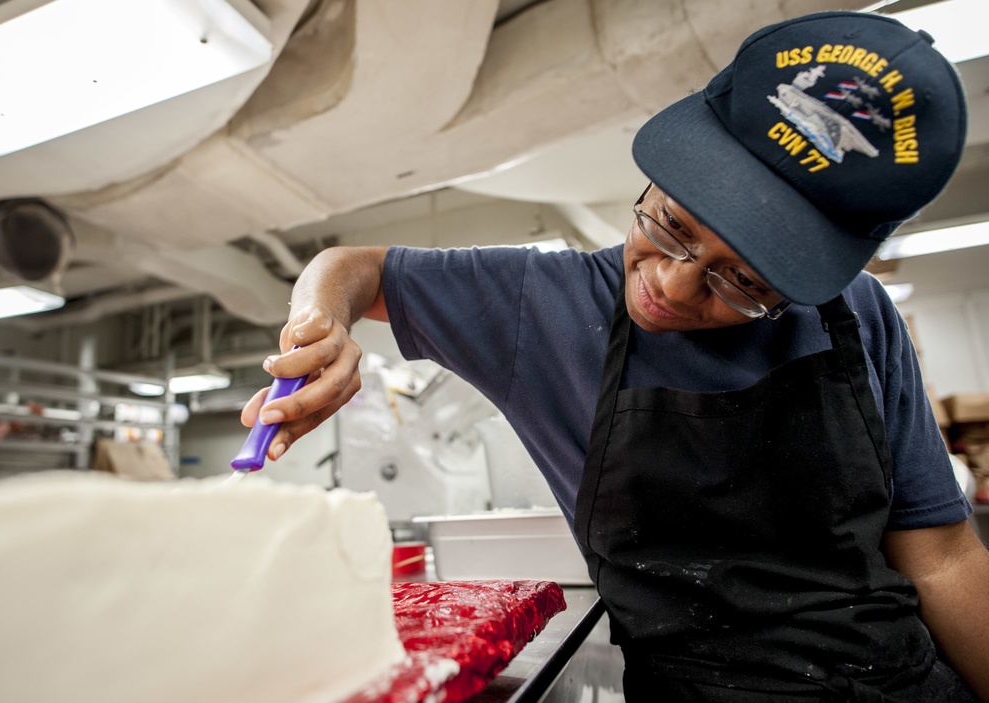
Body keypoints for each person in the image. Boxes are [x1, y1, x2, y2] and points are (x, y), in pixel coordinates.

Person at [242, 11, 989, 702]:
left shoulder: (858, 317)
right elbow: (353, 266)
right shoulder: (549, 306)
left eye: (743, 281)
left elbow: (945, 558)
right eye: (668, 224)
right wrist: (319, 323)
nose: (669, 283)